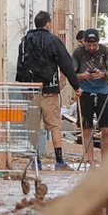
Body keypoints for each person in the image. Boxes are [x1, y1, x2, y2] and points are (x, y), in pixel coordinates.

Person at [16, 10, 81, 169]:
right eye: (50, 23)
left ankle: (35, 160)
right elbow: (66, 64)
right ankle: (59, 161)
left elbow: (20, 65)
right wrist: (76, 86)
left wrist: (22, 85)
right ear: (47, 24)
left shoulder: (25, 41)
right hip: (49, 90)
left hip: (30, 90)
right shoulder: (53, 40)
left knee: (33, 126)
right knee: (54, 125)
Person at [73, 29, 108, 164]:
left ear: (98, 42)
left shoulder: (105, 51)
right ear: (84, 42)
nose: (91, 48)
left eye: (94, 45)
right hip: (85, 92)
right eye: (88, 45)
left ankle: (105, 163)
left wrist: (103, 75)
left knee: (106, 129)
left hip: (103, 91)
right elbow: (71, 74)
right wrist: (83, 76)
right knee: (87, 130)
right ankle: (91, 162)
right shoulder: (78, 53)